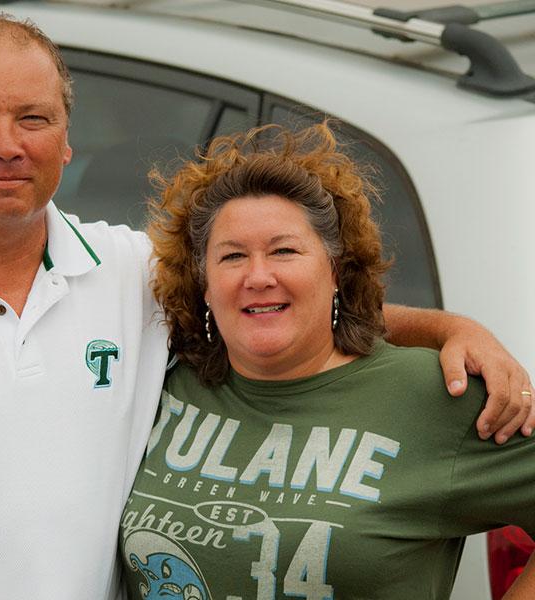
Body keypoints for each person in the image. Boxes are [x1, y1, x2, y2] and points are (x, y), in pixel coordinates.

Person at [0, 13, 530, 600]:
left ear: (67, 136)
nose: (6, 143)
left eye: (33, 118)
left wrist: (455, 329)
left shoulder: (130, 273)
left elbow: (274, 307)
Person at [119, 123, 535, 598]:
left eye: (285, 251)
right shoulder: (161, 379)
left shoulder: (435, 395)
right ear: (205, 284)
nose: (258, 276)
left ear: (334, 269)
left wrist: (458, 329)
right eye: (232, 256)